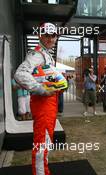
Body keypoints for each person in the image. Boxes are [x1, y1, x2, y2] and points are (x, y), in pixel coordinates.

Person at [14, 22, 59, 175]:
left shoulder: (46, 54)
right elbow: (20, 74)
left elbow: (46, 78)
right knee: (41, 145)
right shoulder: (37, 54)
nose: (51, 39)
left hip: (49, 104)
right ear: (40, 35)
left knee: (46, 143)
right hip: (43, 105)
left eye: (53, 35)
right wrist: (41, 89)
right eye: (47, 35)